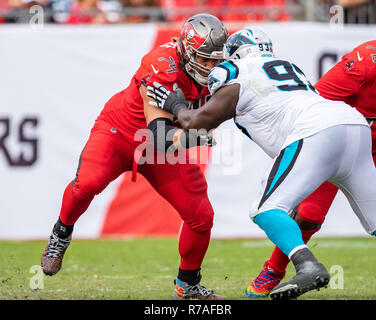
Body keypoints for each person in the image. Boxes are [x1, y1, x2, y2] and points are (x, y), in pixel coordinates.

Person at [147, 28, 376, 300]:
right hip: (357, 127)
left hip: (317, 131)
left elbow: (198, 121)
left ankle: (307, 265)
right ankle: (294, 267)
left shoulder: (233, 69)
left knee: (265, 209)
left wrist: (176, 106)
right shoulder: (290, 67)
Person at [41, 13, 229, 300]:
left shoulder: (223, 74)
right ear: (186, 50)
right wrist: (195, 136)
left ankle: (187, 285)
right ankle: (61, 232)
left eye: (215, 60)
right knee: (87, 183)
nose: (211, 67)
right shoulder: (160, 64)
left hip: (164, 145)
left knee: (201, 216)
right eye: (205, 59)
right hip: (122, 132)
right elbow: (160, 136)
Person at [246, 39, 376, 298]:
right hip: (347, 137)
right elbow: (315, 105)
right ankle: (274, 269)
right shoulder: (365, 63)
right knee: (309, 214)